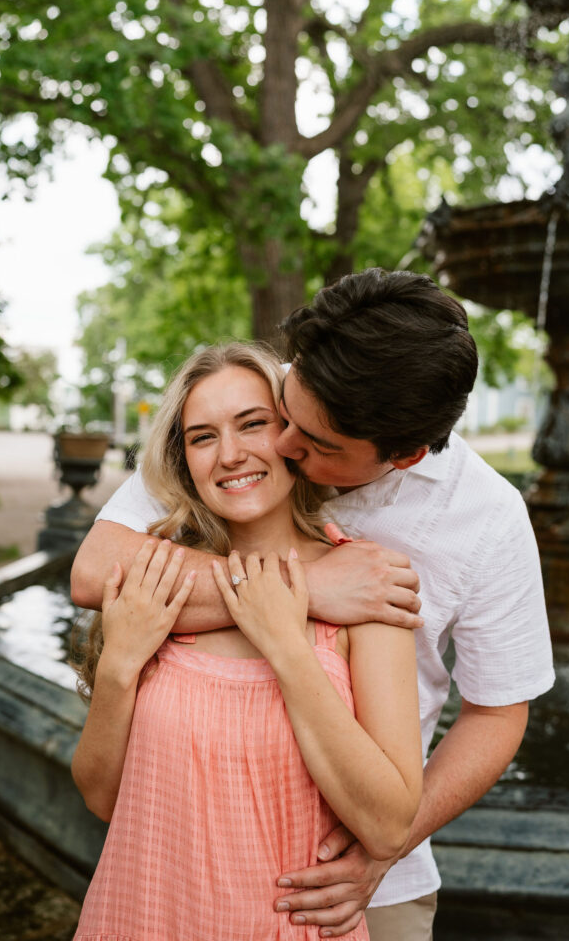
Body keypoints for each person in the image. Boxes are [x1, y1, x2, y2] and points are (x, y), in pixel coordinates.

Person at [71, 269, 555, 940]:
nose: (282, 446)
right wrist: (307, 590)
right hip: (169, 873)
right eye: (287, 414)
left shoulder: (484, 520)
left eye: (316, 444)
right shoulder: (248, 416)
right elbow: (95, 574)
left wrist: (379, 849)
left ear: (404, 455)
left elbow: (498, 711)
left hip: (341, 882)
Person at [71, 342, 423, 941]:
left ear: (294, 436)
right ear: (185, 461)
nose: (231, 454)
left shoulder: (365, 588)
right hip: (144, 917)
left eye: (253, 424)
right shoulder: (160, 583)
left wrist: (288, 647)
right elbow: (101, 797)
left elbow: (389, 827)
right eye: (203, 437)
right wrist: (119, 667)